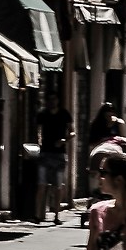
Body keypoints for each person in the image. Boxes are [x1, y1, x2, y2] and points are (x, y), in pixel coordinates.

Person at [35, 94, 74, 224]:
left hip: (59, 154)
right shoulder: (42, 114)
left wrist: (64, 140)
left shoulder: (64, 114)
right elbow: (38, 131)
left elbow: (72, 132)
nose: (52, 102)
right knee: (42, 184)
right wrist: (39, 142)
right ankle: (38, 215)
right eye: (50, 99)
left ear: (58, 100)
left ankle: (56, 215)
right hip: (45, 153)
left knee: (58, 186)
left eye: (54, 99)